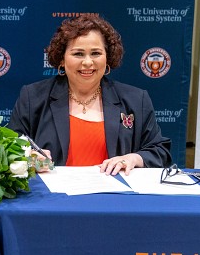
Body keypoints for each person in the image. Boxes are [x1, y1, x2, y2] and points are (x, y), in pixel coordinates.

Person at [9, 14, 171, 175]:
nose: (87, 62)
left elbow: (160, 151)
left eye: (96, 53)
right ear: (61, 59)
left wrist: (134, 158)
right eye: (78, 54)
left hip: (115, 197)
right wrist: (29, 158)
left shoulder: (136, 99)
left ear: (107, 57)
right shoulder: (33, 97)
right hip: (53, 197)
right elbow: (8, 149)